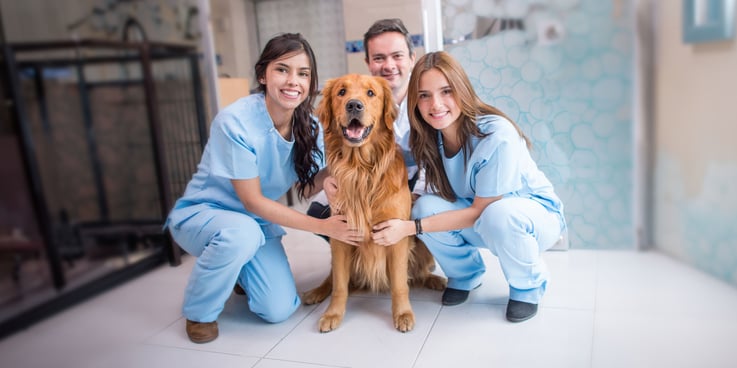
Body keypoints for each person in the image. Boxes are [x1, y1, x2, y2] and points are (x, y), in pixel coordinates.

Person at [165, 33, 361, 344]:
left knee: (278, 309)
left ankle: (239, 269)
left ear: (311, 83)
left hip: (254, 223)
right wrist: (324, 226)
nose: (292, 81)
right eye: (282, 69)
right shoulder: (235, 122)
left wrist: (328, 178)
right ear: (263, 74)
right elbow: (253, 202)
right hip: (207, 215)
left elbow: (305, 187)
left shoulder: (309, 126)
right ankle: (200, 312)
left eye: (303, 73)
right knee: (240, 235)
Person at [371, 51, 566, 323]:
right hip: (484, 220)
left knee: (498, 214)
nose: (435, 104)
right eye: (424, 95)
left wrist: (408, 228)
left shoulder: (497, 134)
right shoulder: (431, 136)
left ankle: (528, 285)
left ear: (462, 89)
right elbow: (392, 160)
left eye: (446, 91)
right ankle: (465, 274)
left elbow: (480, 211)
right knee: (424, 207)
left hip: (531, 220)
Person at [307, 18, 426, 223]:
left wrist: (412, 198)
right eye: (379, 58)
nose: (389, 65)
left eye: (397, 56)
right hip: (365, 178)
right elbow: (336, 152)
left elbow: (438, 164)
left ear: (412, 58)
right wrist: (330, 179)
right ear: (368, 63)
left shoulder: (429, 103)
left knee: (424, 210)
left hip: (413, 182)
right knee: (319, 211)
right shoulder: (356, 97)